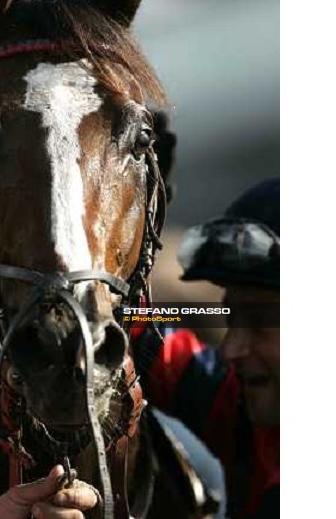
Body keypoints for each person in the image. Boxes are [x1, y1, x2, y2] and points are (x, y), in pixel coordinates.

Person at [132, 177, 280, 519]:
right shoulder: (242, 410)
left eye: (258, 324)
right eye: (232, 320)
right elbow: (143, 334)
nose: (231, 350)